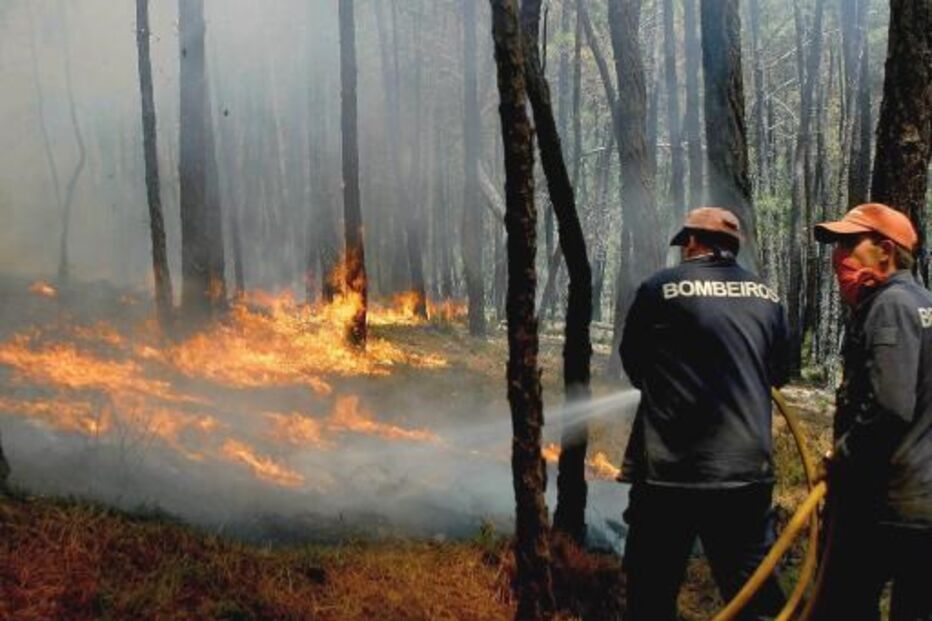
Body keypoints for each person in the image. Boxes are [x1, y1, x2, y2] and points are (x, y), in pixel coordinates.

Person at [619, 207, 789, 621]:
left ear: (692, 242)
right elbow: (779, 374)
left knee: (651, 590)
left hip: (670, 475)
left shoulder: (659, 288)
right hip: (745, 474)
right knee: (752, 592)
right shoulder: (768, 297)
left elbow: (634, 366)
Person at [811, 202, 932, 621]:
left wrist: (840, 456)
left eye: (848, 244)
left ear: (885, 250)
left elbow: (890, 407)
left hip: (885, 505)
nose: (838, 258)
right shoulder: (924, 303)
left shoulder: (890, 304)